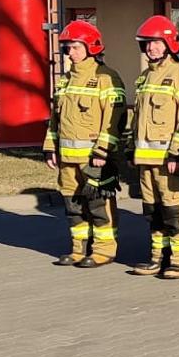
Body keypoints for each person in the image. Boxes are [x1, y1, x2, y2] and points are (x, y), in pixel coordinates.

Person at [43, 20, 126, 268]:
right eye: (67, 48)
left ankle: (104, 250)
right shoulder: (65, 80)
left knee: (99, 204)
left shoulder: (106, 78)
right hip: (67, 159)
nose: (70, 53)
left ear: (91, 48)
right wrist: (50, 147)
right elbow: (55, 119)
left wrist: (103, 151)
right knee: (73, 205)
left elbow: (115, 119)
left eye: (75, 47)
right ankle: (78, 248)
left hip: (94, 158)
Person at [127, 15, 179, 280]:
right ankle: (158, 256)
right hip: (146, 159)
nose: (151, 49)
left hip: (169, 160)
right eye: (146, 44)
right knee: (153, 210)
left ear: (168, 43)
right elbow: (137, 119)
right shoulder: (145, 77)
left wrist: (177, 153)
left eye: (156, 43)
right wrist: (130, 150)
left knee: (174, 209)